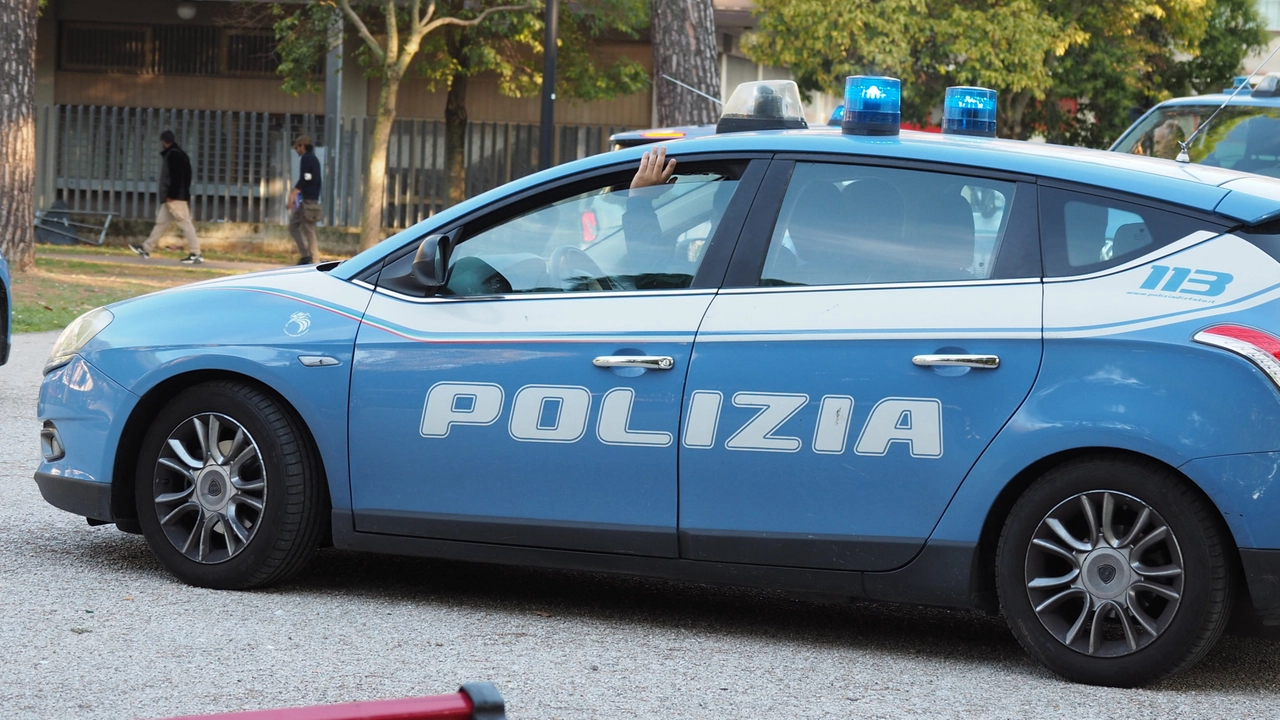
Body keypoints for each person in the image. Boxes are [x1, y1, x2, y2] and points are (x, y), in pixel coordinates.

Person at [130, 130, 201, 264]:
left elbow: (175, 177)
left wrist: (171, 194)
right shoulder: (181, 154)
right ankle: (146, 248)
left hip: (174, 198)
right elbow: (186, 176)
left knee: (185, 223)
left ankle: (196, 253)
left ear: (163, 141)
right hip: (175, 196)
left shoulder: (172, 155)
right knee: (161, 223)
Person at [289, 134, 322, 264]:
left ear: (302, 146)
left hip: (309, 200)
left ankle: (314, 260)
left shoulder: (307, 158)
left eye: (297, 147)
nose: (296, 150)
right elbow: (309, 177)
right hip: (307, 199)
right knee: (293, 226)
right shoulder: (313, 159)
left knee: (309, 230)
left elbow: (305, 177)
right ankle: (305, 256)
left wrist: (294, 193)